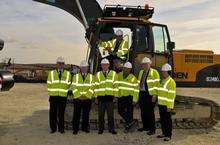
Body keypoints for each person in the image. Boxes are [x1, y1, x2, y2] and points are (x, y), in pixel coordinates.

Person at [46, 57, 71, 134]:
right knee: (52, 113)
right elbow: (49, 84)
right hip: (53, 97)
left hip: (62, 97)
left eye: (62, 63)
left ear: (64, 65)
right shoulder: (52, 73)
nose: (60, 65)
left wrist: (65, 92)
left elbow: (69, 84)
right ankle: (53, 129)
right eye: (59, 63)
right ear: (57, 64)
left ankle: (61, 129)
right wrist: (51, 93)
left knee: (61, 114)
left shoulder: (68, 74)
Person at [94, 58, 118, 134]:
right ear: (101, 66)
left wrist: (115, 96)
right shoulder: (98, 74)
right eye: (103, 65)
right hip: (101, 98)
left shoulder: (114, 74)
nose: (104, 66)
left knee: (110, 115)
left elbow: (116, 86)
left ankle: (111, 129)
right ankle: (101, 129)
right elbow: (95, 87)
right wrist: (96, 97)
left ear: (108, 65)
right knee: (101, 115)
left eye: (106, 65)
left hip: (110, 98)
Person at [70, 60, 94, 135]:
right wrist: (79, 96)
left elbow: (93, 87)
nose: (84, 68)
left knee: (86, 114)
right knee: (76, 114)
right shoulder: (75, 76)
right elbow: (73, 87)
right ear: (80, 68)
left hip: (87, 99)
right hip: (78, 99)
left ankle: (85, 128)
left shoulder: (91, 77)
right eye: (82, 67)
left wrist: (87, 96)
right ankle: (75, 129)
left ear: (87, 68)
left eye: (85, 67)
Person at [137, 57, 160, 135]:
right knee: (143, 112)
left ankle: (152, 129)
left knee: (150, 113)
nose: (145, 66)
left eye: (146, 64)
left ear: (150, 64)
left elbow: (157, 85)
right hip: (142, 94)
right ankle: (145, 127)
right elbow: (139, 83)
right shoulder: (141, 72)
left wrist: (155, 95)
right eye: (143, 64)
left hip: (150, 95)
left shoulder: (154, 72)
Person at [116, 62, 139, 133]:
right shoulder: (118, 75)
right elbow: (116, 86)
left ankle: (128, 127)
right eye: (125, 68)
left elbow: (136, 90)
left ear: (130, 70)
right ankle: (131, 122)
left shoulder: (133, 78)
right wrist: (116, 96)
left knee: (129, 113)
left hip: (129, 97)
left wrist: (135, 99)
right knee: (120, 111)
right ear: (123, 68)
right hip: (121, 97)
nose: (126, 70)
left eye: (128, 69)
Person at [157, 63, 176, 141]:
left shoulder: (171, 82)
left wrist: (170, 107)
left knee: (168, 121)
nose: (162, 73)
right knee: (162, 120)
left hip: (166, 105)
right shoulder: (162, 80)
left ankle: (168, 135)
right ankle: (164, 133)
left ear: (168, 72)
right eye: (162, 72)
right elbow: (159, 91)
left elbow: (171, 96)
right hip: (161, 104)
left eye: (164, 72)